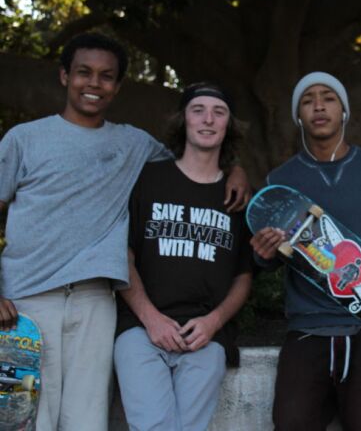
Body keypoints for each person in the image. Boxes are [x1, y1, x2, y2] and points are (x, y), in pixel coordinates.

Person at [0, 33, 249, 431]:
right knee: (25, 421)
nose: (94, 84)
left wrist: (237, 171)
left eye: (106, 76)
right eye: (84, 73)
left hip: (96, 300)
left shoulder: (134, 145)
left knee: (86, 422)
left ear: (117, 86)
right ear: (65, 76)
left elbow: (198, 161)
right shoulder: (24, 140)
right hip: (28, 301)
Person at [250, 72, 361, 431]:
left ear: (344, 111)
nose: (319, 106)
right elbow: (265, 262)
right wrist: (263, 253)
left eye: (328, 98)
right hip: (307, 330)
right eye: (308, 100)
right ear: (299, 115)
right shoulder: (280, 180)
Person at [114, 83, 252, 431]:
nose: (208, 119)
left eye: (218, 112)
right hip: (140, 330)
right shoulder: (148, 179)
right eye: (197, 110)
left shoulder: (239, 198)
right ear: (183, 120)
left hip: (205, 335)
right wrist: (150, 318)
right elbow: (123, 256)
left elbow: (244, 275)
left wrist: (214, 322)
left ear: (228, 125)